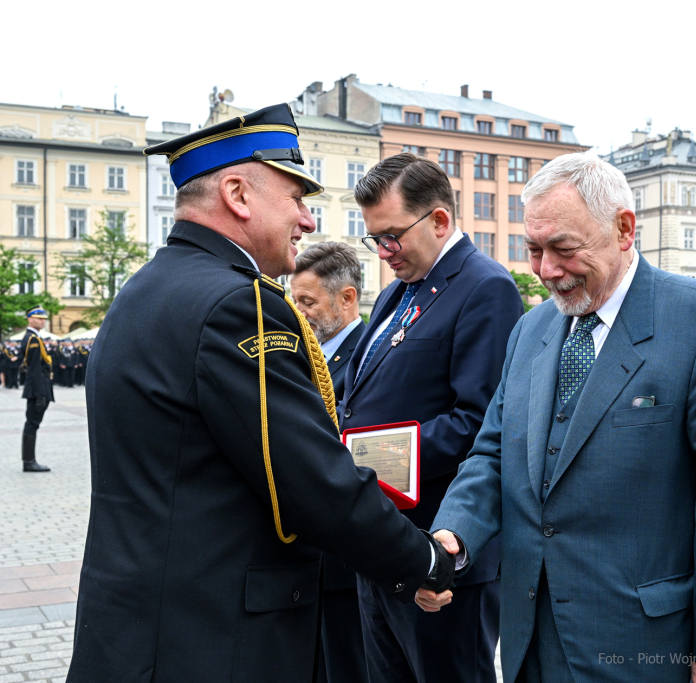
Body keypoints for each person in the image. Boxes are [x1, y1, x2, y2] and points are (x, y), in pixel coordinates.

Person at [67, 104, 454, 683]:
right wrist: (423, 560)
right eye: (296, 198)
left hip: (140, 628)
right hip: (214, 639)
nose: (306, 220)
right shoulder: (238, 305)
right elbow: (311, 480)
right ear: (237, 194)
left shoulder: (146, 288)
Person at [424, 152, 696, 683]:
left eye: (563, 249)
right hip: (527, 642)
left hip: (644, 647)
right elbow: (492, 454)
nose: (546, 270)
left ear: (624, 229)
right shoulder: (530, 329)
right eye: (533, 249)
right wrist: (454, 535)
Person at [337, 152, 522, 683]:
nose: (383, 252)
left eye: (392, 235)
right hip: (384, 541)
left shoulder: (485, 287)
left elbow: (480, 423)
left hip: (442, 550)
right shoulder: (398, 288)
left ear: (440, 221)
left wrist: (366, 457)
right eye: (375, 239)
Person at [290, 241, 369, 683]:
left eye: (307, 301)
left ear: (347, 298)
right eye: (293, 300)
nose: (298, 312)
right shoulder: (303, 351)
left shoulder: (367, 355)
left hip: (341, 558)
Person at [19, 307, 52, 473]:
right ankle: (29, 461)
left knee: (32, 424)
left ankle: (29, 460)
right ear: (30, 320)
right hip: (37, 389)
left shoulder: (33, 338)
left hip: (37, 387)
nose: (42, 321)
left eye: (44, 318)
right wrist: (40, 394)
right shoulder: (32, 339)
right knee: (32, 424)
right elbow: (34, 369)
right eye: (39, 318)